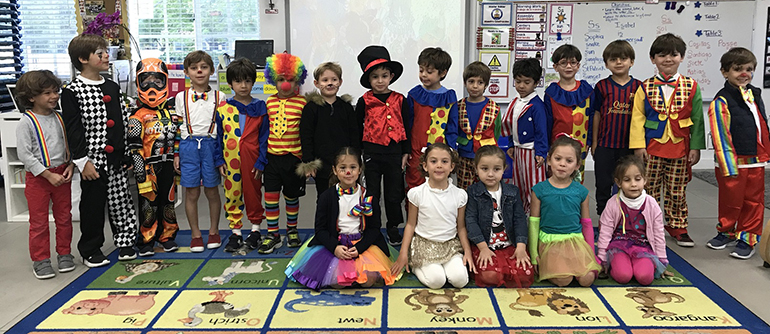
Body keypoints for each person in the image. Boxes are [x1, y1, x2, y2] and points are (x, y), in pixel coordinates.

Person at [62, 34, 138, 267]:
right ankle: (90, 248)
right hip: (92, 160)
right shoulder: (72, 91)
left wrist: (125, 152)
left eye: (106, 52)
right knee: (93, 205)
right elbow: (74, 130)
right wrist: (82, 161)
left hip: (115, 157)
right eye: (100, 53)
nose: (107, 56)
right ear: (83, 59)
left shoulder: (112, 87)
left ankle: (125, 240)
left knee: (121, 201)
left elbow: (122, 121)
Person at [630, 33, 706, 247]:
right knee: (649, 188)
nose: (668, 59)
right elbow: (637, 118)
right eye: (661, 55)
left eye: (673, 55)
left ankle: (677, 226)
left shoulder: (692, 86)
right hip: (652, 147)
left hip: (680, 147)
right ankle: (647, 225)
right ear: (653, 59)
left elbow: (697, 119)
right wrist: (638, 145)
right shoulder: (644, 86)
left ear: (681, 57)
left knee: (677, 189)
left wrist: (696, 147)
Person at [285, 147, 399, 289]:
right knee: (337, 283)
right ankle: (349, 274)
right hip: (336, 243)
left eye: (353, 167)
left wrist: (360, 248)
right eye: (343, 168)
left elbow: (374, 228)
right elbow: (320, 230)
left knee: (368, 281)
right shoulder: (327, 197)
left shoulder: (368, 197)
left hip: (362, 244)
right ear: (335, 170)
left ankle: (355, 273)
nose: (348, 172)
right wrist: (335, 248)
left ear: (360, 170)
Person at [706, 47, 770, 259]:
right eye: (738, 69)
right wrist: (727, 162)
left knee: (753, 200)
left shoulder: (755, 94)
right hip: (731, 160)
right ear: (725, 72)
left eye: (749, 69)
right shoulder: (721, 100)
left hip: (754, 159)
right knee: (729, 198)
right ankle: (727, 229)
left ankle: (748, 236)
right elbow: (720, 134)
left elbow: (762, 123)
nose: (744, 73)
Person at [390, 143, 474, 289]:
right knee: (437, 282)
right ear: (425, 166)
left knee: (460, 280)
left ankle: (445, 267)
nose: (439, 165)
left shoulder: (460, 195)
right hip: (425, 246)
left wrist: (467, 252)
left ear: (452, 167)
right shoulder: (417, 193)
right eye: (433, 161)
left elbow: (461, 227)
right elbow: (410, 225)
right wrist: (403, 253)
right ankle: (416, 264)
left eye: (444, 161)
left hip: (450, 247)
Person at [16, 70, 75, 279]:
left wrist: (70, 165)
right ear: (32, 97)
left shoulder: (60, 118)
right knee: (39, 221)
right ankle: (40, 259)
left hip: (62, 173)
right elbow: (25, 154)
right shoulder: (27, 122)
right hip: (39, 177)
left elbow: (67, 145)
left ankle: (64, 253)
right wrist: (47, 175)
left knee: (64, 217)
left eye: (55, 92)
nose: (54, 96)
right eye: (47, 93)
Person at [529, 134, 601, 286]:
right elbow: (534, 223)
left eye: (569, 161)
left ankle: (572, 266)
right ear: (549, 160)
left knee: (587, 279)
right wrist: (534, 254)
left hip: (575, 241)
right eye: (558, 159)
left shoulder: (581, 192)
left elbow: (587, 224)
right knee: (564, 280)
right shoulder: (539, 190)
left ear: (577, 165)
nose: (562, 164)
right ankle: (554, 267)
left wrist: (591, 254)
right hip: (550, 242)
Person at [355, 45, 409, 246]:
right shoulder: (364, 101)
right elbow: (356, 128)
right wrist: (358, 155)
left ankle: (393, 226)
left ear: (391, 77)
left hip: (394, 152)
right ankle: (372, 226)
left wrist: (405, 151)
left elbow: (406, 125)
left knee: (394, 193)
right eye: (375, 77)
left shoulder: (400, 99)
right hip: (371, 153)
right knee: (372, 193)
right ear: (369, 80)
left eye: (384, 76)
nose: (380, 81)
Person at [175, 50, 227, 252]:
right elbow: (178, 126)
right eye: (194, 68)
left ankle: (214, 230)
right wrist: (177, 154)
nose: (199, 71)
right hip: (188, 146)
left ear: (212, 71)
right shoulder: (181, 97)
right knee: (191, 192)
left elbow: (223, 129)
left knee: (212, 190)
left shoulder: (219, 96)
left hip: (211, 146)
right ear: (187, 72)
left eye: (204, 67)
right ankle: (196, 234)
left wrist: (221, 156)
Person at [127, 58, 179, 256]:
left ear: (165, 81)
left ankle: (167, 236)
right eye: (146, 81)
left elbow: (178, 138)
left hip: (168, 164)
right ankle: (146, 239)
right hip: (148, 166)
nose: (151, 86)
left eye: (157, 81)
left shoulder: (172, 112)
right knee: (148, 204)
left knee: (168, 202)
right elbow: (135, 146)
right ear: (139, 83)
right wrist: (140, 170)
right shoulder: (137, 115)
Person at [215, 58, 268, 252]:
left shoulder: (261, 108)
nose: (243, 86)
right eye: (238, 81)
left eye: (247, 81)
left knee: (253, 193)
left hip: (253, 160)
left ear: (253, 82)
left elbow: (264, 138)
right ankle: (236, 231)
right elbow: (218, 137)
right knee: (232, 193)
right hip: (231, 160)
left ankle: (255, 230)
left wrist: (262, 161)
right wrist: (219, 160)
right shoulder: (222, 109)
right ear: (230, 83)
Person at [260, 52, 309, 254]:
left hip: (293, 159)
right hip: (272, 159)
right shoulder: (268, 103)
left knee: (291, 197)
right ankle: (273, 233)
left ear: (297, 80)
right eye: (281, 79)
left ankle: (292, 230)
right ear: (273, 80)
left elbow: (306, 133)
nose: (285, 84)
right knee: (270, 197)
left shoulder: (303, 103)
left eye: (290, 79)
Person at [465, 145, 534, 288]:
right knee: (489, 276)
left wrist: (521, 247)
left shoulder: (512, 192)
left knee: (524, 274)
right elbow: (470, 221)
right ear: (476, 168)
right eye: (485, 169)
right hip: (484, 245)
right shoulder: (472, 192)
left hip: (509, 245)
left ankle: (507, 269)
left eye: (496, 169)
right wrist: (483, 248)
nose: (491, 174)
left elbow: (519, 220)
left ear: (504, 169)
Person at [596, 155, 672, 285]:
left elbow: (658, 233)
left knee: (645, 278)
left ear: (645, 180)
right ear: (618, 183)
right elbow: (605, 232)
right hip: (619, 246)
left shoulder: (651, 204)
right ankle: (619, 265)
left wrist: (661, 260)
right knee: (623, 276)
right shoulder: (613, 203)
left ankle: (642, 265)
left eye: (638, 179)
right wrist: (602, 260)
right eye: (627, 180)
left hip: (643, 247)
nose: (633, 184)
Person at [592, 40, 643, 216]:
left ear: (632, 61)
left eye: (623, 58)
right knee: (604, 182)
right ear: (606, 64)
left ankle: (626, 216)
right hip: (605, 144)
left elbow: (643, 116)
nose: (619, 62)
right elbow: (596, 114)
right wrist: (594, 142)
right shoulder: (601, 86)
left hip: (628, 145)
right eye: (614, 59)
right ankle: (604, 216)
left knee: (628, 181)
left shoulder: (639, 87)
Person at [300, 62, 359, 198]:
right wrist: (309, 162)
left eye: (334, 80)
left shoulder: (346, 107)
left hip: (345, 164)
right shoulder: (311, 108)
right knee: (324, 198)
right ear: (316, 83)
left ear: (340, 82)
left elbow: (354, 133)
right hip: (322, 164)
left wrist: (356, 159)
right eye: (325, 80)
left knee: (347, 198)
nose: (330, 83)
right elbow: (306, 135)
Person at [405, 47, 459, 191]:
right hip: (415, 151)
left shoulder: (449, 97)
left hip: (440, 153)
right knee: (414, 186)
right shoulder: (414, 94)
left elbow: (452, 126)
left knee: (438, 188)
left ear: (442, 73)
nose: (423, 75)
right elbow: (407, 124)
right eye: (421, 70)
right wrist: (406, 149)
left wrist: (452, 150)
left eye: (429, 72)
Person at [501, 58, 549, 213]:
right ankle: (521, 214)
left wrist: (541, 152)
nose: (521, 86)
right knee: (519, 183)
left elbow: (542, 131)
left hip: (532, 151)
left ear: (535, 83)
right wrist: (510, 144)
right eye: (518, 81)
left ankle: (535, 216)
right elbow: (511, 126)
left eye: (526, 82)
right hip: (518, 150)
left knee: (533, 185)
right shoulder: (515, 102)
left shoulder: (536, 105)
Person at [544, 44, 594, 182]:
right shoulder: (551, 93)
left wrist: (589, 140)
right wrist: (547, 146)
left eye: (573, 62)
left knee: (577, 178)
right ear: (555, 67)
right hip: (557, 144)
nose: (568, 66)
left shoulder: (587, 90)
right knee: (557, 177)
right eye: (563, 63)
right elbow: (548, 121)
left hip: (581, 144)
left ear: (578, 66)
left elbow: (591, 117)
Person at [456, 61, 502, 190]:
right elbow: (455, 130)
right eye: (471, 81)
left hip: (487, 156)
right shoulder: (458, 106)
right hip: (464, 155)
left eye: (480, 82)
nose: (475, 86)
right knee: (465, 190)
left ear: (486, 85)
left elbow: (496, 132)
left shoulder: (494, 108)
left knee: (487, 188)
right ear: (465, 83)